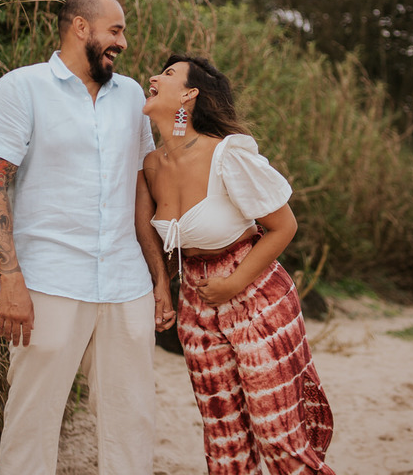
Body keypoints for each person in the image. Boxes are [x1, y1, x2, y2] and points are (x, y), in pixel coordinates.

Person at [0, 0, 174, 475]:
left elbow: (139, 191)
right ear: (80, 28)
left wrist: (159, 279)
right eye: (116, 30)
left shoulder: (130, 97)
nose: (122, 43)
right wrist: (11, 280)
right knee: (33, 416)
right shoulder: (21, 88)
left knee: (132, 417)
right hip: (48, 279)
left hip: (126, 281)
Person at [140, 53, 335, 474]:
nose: (154, 77)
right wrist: (163, 287)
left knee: (278, 437)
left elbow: (284, 226)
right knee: (224, 440)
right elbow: (152, 237)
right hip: (196, 307)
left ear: (189, 95)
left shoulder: (227, 156)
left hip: (256, 296)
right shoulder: (151, 166)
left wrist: (233, 284)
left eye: (168, 74)